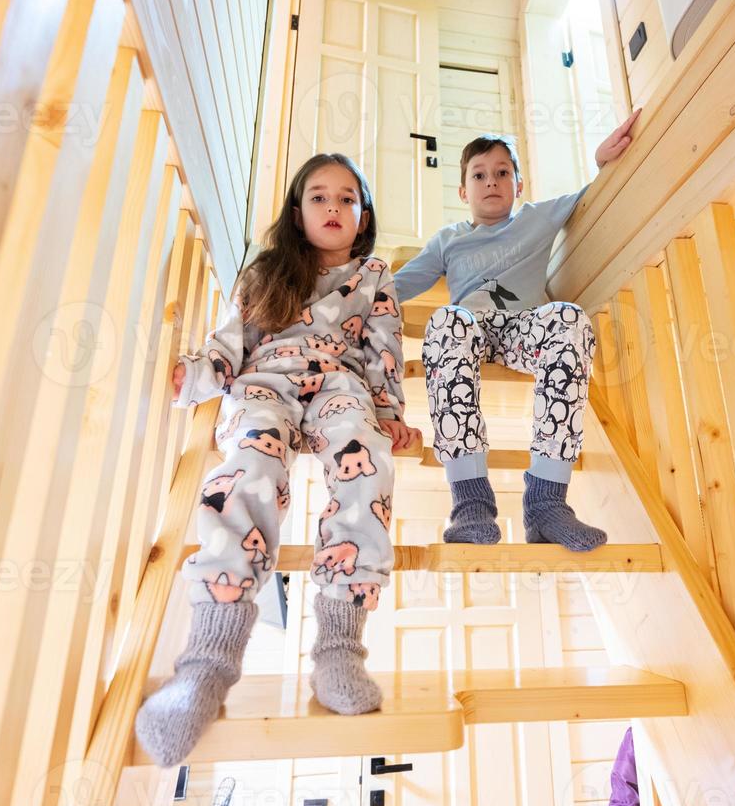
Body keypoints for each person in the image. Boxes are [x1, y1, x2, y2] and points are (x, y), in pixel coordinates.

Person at [135, 153, 418, 767]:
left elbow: (383, 351)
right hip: (265, 384)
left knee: (364, 459)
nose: (334, 207)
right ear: (298, 212)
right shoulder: (267, 270)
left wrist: (390, 411)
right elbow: (231, 339)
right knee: (249, 470)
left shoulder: (374, 276)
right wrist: (199, 376)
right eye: (319, 197)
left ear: (363, 215)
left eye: (348, 198)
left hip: (340, 384)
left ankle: (339, 649)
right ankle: (206, 667)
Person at [392, 112, 641, 548]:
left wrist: (602, 162)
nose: (491, 182)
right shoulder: (449, 239)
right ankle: (470, 505)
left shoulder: (537, 218)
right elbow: (400, 285)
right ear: (463, 190)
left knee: (569, 317)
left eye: (502, 173)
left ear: (519, 185)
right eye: (479, 175)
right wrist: (343, 298)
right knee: (446, 322)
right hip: (467, 332)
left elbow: (591, 197)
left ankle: (547, 503)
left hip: (524, 329)